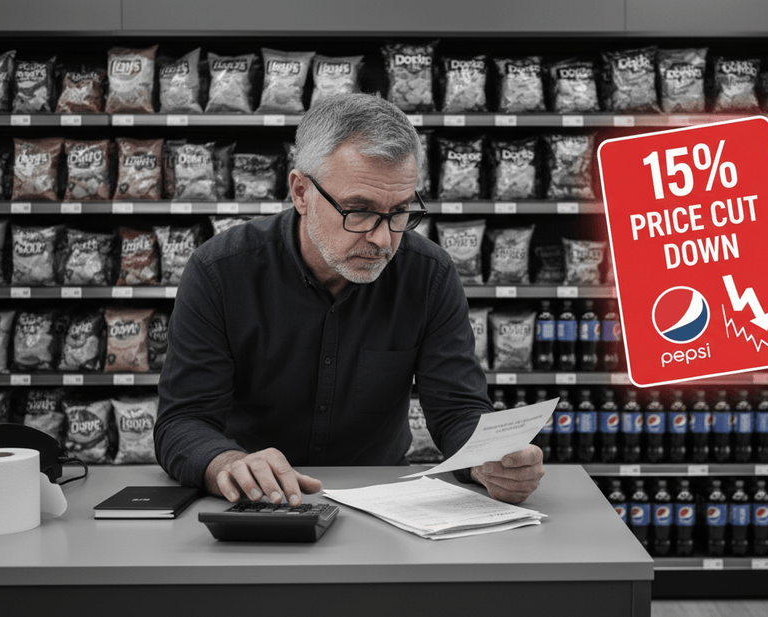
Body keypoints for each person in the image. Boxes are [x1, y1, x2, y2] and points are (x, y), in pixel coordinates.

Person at [154, 93, 544, 506]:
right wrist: (226, 462)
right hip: (256, 503)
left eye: (400, 212)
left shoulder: (429, 274)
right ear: (301, 192)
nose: (382, 238)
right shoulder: (220, 272)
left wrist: (491, 459)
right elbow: (183, 420)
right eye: (359, 211)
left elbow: (457, 410)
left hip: (383, 504)